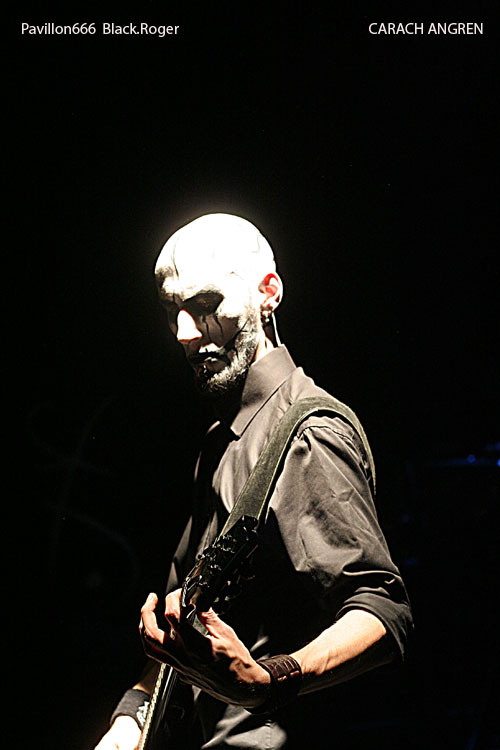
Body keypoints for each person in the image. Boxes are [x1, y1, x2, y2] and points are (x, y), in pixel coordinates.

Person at [95, 213, 413, 750]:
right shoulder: (223, 439)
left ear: (268, 294)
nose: (185, 333)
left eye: (205, 305)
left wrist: (269, 681)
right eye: (172, 310)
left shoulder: (307, 434)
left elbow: (384, 609)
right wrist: (131, 719)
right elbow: (187, 615)